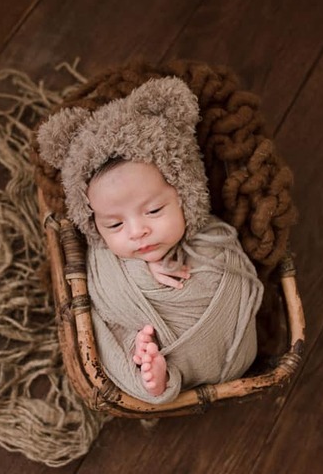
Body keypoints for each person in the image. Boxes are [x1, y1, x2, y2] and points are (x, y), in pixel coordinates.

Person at [37, 77, 263, 403]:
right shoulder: (103, 260)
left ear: (186, 194)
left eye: (154, 210)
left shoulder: (215, 239)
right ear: (93, 225)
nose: (136, 231)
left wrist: (173, 259)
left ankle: (158, 370)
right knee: (124, 335)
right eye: (114, 224)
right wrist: (141, 270)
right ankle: (156, 376)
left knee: (216, 276)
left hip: (229, 348)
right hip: (150, 339)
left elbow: (238, 278)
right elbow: (101, 295)